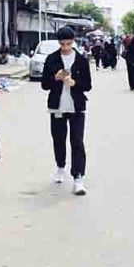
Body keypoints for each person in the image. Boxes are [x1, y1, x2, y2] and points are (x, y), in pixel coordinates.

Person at [42, 27, 92, 196]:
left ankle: (78, 177)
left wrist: (75, 83)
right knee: (58, 139)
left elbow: (88, 85)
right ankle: (60, 166)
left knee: (77, 141)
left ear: (73, 42)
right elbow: (44, 84)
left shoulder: (81, 60)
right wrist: (55, 78)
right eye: (62, 44)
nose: (65, 47)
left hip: (76, 106)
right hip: (57, 106)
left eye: (68, 44)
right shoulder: (51, 59)